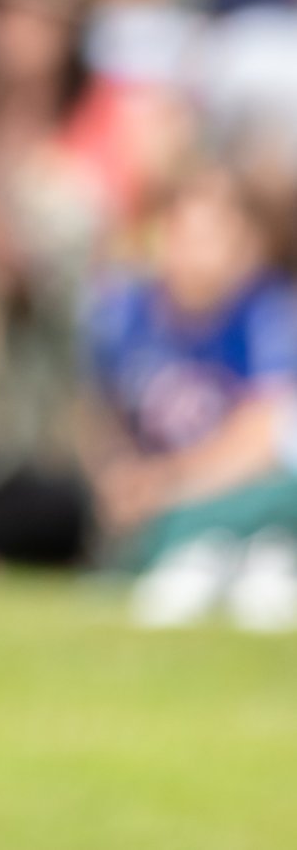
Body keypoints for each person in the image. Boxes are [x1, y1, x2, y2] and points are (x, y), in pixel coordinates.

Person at [83, 163, 297, 630]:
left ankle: (229, 551)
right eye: (184, 233)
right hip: (154, 494)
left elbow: (263, 437)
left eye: (213, 236)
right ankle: (209, 552)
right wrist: (117, 476)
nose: (195, 252)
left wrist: (166, 485)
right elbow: (101, 417)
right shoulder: (125, 313)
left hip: (220, 489)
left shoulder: (268, 315)